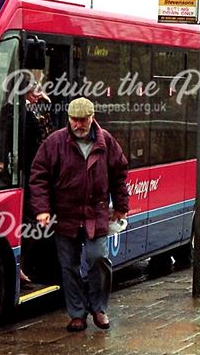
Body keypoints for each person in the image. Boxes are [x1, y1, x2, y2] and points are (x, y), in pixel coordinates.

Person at [29, 97, 130, 332]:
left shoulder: (106, 142)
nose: (78, 125)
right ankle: (76, 314)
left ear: (92, 118)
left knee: (98, 259)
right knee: (69, 266)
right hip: (66, 215)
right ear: (69, 120)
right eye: (74, 120)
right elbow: (39, 176)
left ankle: (99, 308)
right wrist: (42, 209)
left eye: (82, 120)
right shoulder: (55, 142)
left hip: (96, 213)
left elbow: (119, 174)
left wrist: (121, 205)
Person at [18, 73, 53, 287]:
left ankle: (22, 265)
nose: (36, 95)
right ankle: (20, 265)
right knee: (34, 224)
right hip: (30, 177)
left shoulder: (26, 111)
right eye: (33, 90)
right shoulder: (27, 115)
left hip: (29, 176)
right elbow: (45, 139)